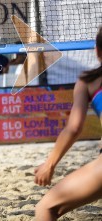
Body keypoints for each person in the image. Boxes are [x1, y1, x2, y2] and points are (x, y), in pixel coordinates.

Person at [34, 26, 102, 221]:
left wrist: (49, 164)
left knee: (46, 207)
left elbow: (73, 128)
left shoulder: (89, 80)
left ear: (97, 51)